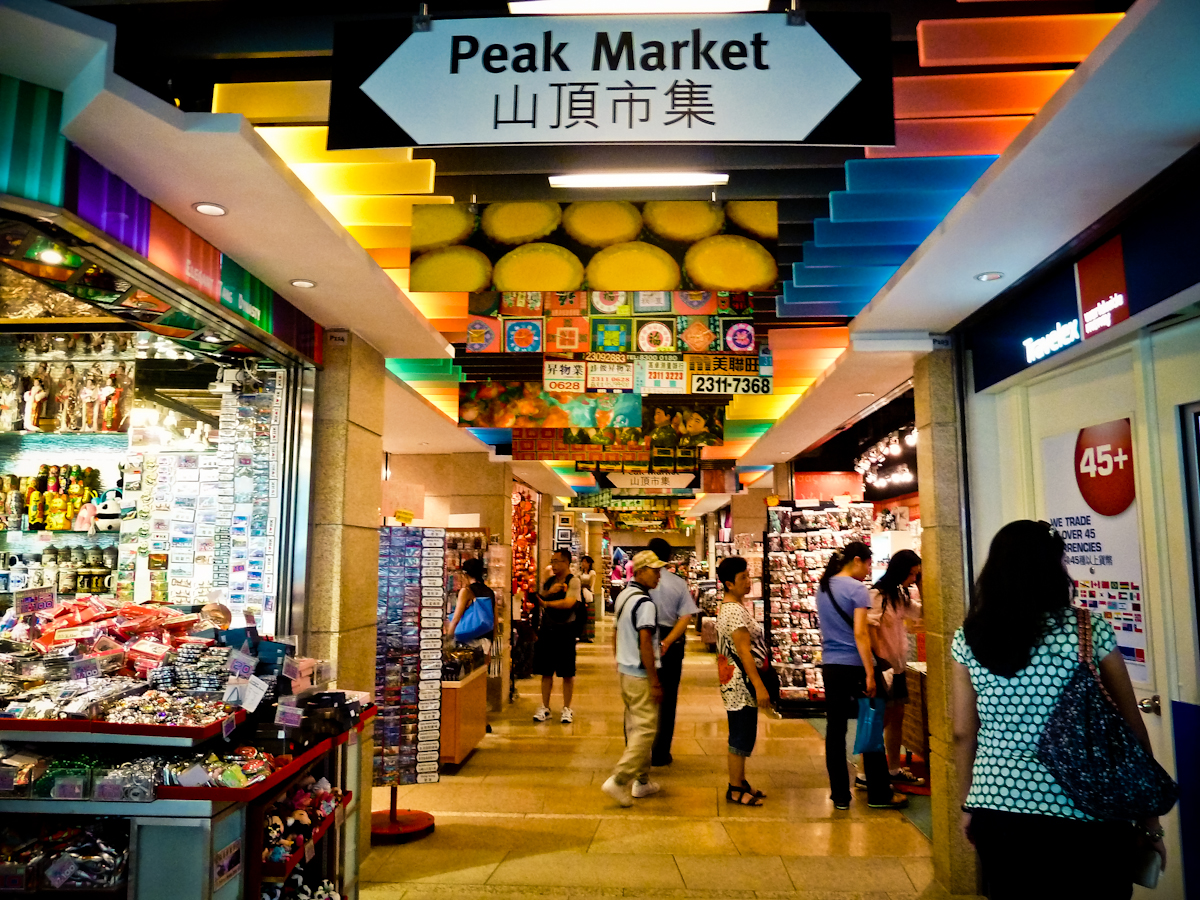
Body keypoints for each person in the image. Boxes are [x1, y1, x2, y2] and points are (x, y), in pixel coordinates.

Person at [953, 521, 1167, 899]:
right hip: (1089, 811)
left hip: (998, 807)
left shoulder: (970, 637)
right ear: (1055, 568)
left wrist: (968, 803)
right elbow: (1132, 731)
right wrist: (1150, 822)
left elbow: (962, 733)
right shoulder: (1089, 629)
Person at [817, 541, 908, 811]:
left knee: (835, 731)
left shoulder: (823, 587)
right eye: (868, 564)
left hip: (831, 665)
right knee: (870, 726)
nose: (869, 571)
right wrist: (869, 672)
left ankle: (840, 796)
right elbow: (860, 633)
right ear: (856, 560)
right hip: (855, 665)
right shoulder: (857, 589)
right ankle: (879, 793)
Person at [601, 550, 667, 807]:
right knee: (646, 729)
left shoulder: (624, 596)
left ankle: (642, 779)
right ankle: (620, 779)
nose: (658, 575)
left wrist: (619, 661)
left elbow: (616, 633)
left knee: (634, 726)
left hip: (626, 671)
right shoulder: (646, 604)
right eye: (654, 570)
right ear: (639, 572)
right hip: (640, 674)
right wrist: (654, 680)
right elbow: (645, 643)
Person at [864, 549, 924, 787]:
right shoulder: (877, 595)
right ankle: (865, 772)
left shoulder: (899, 595)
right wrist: (877, 664)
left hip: (897, 666)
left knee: (897, 716)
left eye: (916, 574)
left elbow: (923, 612)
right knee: (878, 718)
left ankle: (893, 768)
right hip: (883, 667)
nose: (913, 578)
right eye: (912, 574)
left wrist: (921, 584)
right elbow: (869, 630)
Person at [714, 555, 771, 806]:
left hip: (735, 680)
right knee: (741, 735)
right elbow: (744, 652)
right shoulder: (734, 611)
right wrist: (758, 685)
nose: (748, 581)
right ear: (729, 584)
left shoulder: (732, 608)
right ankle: (735, 788)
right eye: (743, 578)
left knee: (743, 732)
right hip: (740, 683)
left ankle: (741, 781)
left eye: (748, 576)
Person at [645, 538, 699, 767]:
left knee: (644, 696)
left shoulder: (638, 583)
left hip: (645, 637)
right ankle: (661, 751)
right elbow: (686, 617)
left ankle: (640, 749)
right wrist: (667, 642)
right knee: (668, 698)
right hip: (672, 640)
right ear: (668, 558)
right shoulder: (678, 583)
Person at [532, 549, 581, 724]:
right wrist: (548, 593)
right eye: (552, 561)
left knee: (567, 672)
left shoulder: (573, 581)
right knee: (546, 671)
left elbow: (569, 603)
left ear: (566, 563)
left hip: (566, 630)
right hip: (548, 629)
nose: (553, 565)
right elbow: (538, 599)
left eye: (556, 561)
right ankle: (545, 706)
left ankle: (567, 708)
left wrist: (547, 603)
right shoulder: (550, 581)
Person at [445, 557, 495, 656]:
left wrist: (448, 639)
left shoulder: (466, 591)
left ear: (465, 574)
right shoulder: (489, 592)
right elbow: (495, 621)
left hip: (468, 642)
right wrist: (490, 647)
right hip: (485, 643)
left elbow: (456, 619)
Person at [578, 555, 597, 643]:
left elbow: (590, 585)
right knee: (581, 616)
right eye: (582, 562)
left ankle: (590, 635)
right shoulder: (580, 573)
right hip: (581, 595)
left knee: (589, 616)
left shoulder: (592, 573)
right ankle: (582, 634)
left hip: (588, 595)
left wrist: (583, 585)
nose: (583, 563)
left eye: (585, 562)